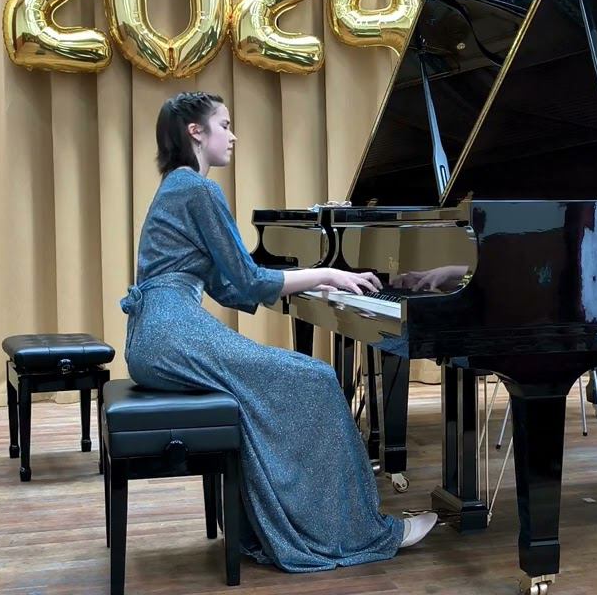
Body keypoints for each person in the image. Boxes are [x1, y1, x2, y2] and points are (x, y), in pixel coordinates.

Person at [119, 91, 437, 572]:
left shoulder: (177, 186)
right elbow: (248, 281)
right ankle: (359, 529)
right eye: (225, 125)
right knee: (316, 378)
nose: (233, 136)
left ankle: (280, 520)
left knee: (287, 382)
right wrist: (328, 274)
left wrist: (310, 282)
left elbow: (228, 286)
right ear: (195, 132)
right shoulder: (198, 189)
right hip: (173, 333)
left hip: (156, 336)